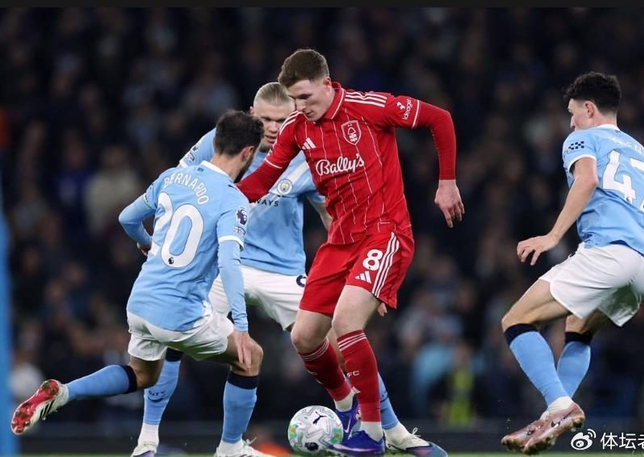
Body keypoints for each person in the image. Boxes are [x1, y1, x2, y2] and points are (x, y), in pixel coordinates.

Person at [133, 82, 447, 457]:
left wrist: (364, 278)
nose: (273, 128)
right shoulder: (220, 143)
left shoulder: (308, 151)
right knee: (171, 338)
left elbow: (333, 215)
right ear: (252, 114)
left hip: (281, 270)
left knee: (341, 338)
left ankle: (390, 430)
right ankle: (147, 442)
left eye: (282, 121)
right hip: (223, 264)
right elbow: (177, 188)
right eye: (266, 119)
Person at [236, 49, 465, 455]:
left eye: (305, 97)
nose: (299, 108)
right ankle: (348, 410)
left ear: (327, 84)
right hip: (339, 241)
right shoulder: (297, 129)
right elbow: (264, 178)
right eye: (294, 100)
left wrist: (446, 182)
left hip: (384, 232)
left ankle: (373, 435)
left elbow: (439, 118)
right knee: (305, 337)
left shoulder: (369, 107)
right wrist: (221, 199)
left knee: (346, 323)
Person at [11, 111, 270, 457]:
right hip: (180, 314)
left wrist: (147, 243)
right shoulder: (233, 199)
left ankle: (66, 392)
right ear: (248, 153)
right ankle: (231, 449)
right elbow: (228, 262)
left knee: (141, 374)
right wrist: (241, 326)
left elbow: (127, 218)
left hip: (141, 304)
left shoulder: (172, 177)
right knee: (250, 356)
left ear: (216, 141)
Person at [500, 72, 644, 455]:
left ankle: (560, 406)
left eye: (572, 112)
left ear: (589, 109)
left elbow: (587, 180)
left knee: (516, 321)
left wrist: (552, 236)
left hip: (609, 252)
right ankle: (553, 414)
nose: (570, 122)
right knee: (578, 328)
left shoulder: (583, 139)